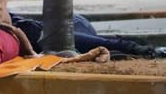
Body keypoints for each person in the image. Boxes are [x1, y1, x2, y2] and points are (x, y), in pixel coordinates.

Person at [11, 14, 166, 59]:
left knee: (104, 43)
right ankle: (135, 48)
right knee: (95, 46)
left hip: (57, 27)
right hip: (53, 34)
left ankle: (143, 49)